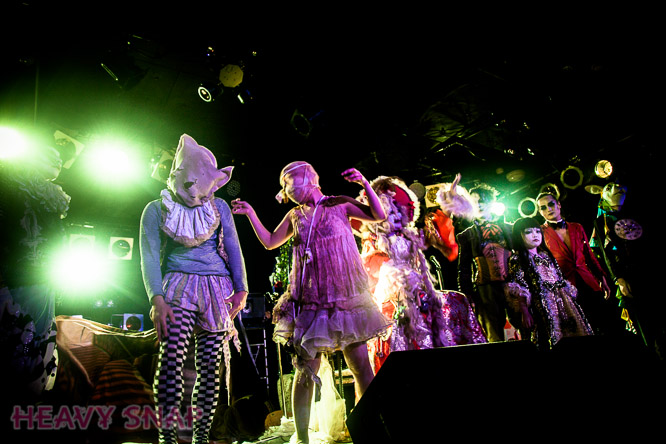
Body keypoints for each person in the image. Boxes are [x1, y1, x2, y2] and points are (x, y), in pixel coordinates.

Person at [231, 161, 390, 444]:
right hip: (312, 303)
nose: (287, 190)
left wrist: (365, 184)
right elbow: (270, 241)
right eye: (284, 186)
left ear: (308, 179)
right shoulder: (295, 215)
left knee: (360, 367)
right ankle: (303, 438)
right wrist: (251, 214)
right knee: (305, 371)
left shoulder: (338, 204)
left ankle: (369, 429)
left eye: (289, 183)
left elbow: (377, 215)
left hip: (347, 299)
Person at [139, 134, 249, 444]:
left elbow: (233, 246)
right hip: (178, 286)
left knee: (209, 367)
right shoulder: (156, 209)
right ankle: (168, 437)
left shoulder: (219, 206)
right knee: (171, 361)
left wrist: (241, 288)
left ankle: (201, 438)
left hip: (217, 288)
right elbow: (149, 255)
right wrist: (156, 299)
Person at [354, 175, 486, 372]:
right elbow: (375, 270)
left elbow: (438, 237)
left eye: (398, 209)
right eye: (388, 209)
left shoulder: (409, 235)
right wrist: (404, 287)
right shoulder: (374, 241)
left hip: (418, 293)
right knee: (407, 311)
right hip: (389, 298)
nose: (394, 214)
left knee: (456, 300)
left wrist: (449, 205)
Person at [0, 142, 68, 409]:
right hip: (14, 280)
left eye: (59, 159)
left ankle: (25, 403)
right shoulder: (9, 187)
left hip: (42, 281)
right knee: (16, 340)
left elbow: (56, 241)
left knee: (33, 342)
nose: (58, 162)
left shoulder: (52, 197)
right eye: (50, 156)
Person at [591, 180, 663, 358]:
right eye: (609, 188)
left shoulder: (636, 212)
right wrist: (619, 278)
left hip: (649, 271)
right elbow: (606, 253)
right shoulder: (601, 222)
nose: (617, 189)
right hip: (628, 275)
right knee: (643, 320)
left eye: (619, 186)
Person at [536, 191, 620, 336]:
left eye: (551, 204)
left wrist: (601, 277)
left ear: (559, 205)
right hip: (566, 288)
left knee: (605, 325)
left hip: (588, 282)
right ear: (540, 212)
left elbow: (589, 255)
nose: (548, 209)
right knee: (582, 331)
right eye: (543, 207)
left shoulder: (577, 227)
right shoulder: (540, 233)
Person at [504, 217, 593, 349]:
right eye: (528, 232)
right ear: (519, 235)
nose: (535, 235)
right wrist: (525, 311)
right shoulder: (517, 259)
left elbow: (559, 277)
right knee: (549, 335)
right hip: (541, 305)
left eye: (537, 231)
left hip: (562, 301)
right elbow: (519, 287)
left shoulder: (546, 255)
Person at [455, 183, 520, 342]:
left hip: (513, 284)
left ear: (491, 203)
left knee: (524, 325)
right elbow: (464, 268)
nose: (479, 205)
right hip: (485, 290)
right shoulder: (467, 235)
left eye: (482, 201)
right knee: (493, 335)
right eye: (474, 201)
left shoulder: (510, 229)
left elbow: (522, 256)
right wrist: (467, 295)